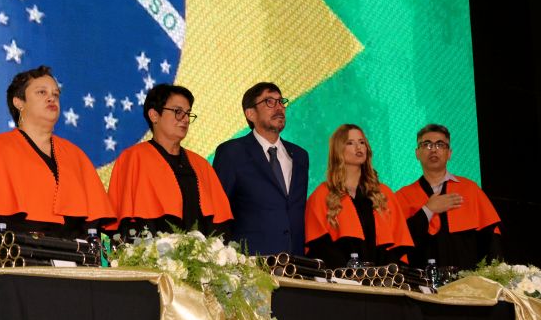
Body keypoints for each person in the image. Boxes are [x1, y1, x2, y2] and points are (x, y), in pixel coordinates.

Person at [0, 65, 115, 237]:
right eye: (41, 92)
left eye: (56, 94)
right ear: (19, 102)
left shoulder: (77, 156)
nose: (51, 98)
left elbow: (93, 228)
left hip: (71, 252)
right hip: (17, 251)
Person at [107, 83, 232, 237]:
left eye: (188, 113)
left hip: (200, 250)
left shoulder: (201, 165)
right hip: (150, 249)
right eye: (178, 112)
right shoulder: (133, 159)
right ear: (154, 115)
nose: (185, 119)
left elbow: (220, 224)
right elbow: (124, 222)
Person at [213, 82, 309, 255]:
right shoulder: (232, 152)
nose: (279, 107)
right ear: (250, 113)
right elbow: (219, 212)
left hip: (295, 262)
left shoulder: (300, 156)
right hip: (250, 262)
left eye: (281, 101)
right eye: (269, 101)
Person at [304, 124, 413, 267]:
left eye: (362, 142)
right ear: (338, 150)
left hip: (381, 277)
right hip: (339, 276)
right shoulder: (323, 194)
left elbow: (398, 243)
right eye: (350, 143)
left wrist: (382, 274)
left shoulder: (383, 194)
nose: (358, 147)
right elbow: (318, 245)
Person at [395, 124, 501, 270]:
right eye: (427, 144)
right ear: (417, 153)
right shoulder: (402, 196)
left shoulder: (470, 189)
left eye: (440, 144)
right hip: (421, 280)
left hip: (468, 280)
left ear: (449, 153)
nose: (433, 149)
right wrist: (428, 210)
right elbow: (399, 244)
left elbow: (492, 240)